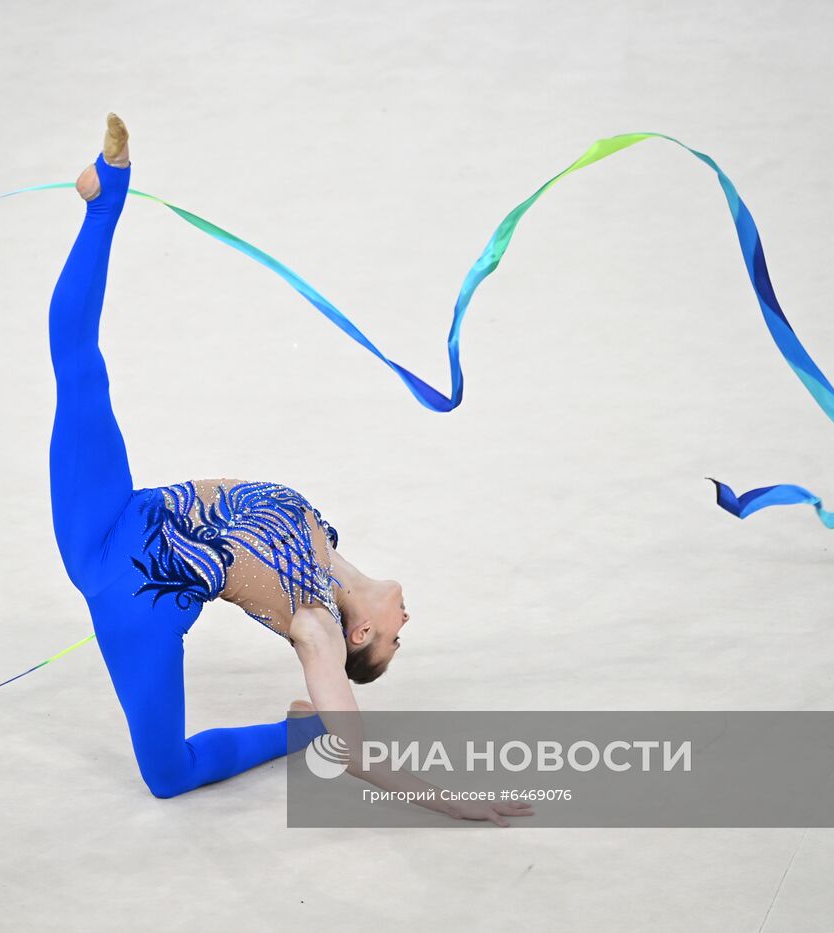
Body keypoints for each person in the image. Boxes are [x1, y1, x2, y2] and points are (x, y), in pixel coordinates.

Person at [49, 114, 531, 825]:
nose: (407, 619)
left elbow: (359, 748)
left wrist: (455, 802)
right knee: (79, 368)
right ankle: (107, 194)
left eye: (397, 635)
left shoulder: (318, 625)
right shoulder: (326, 549)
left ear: (359, 634)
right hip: (121, 512)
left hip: (134, 596)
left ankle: (290, 732)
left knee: (168, 774)